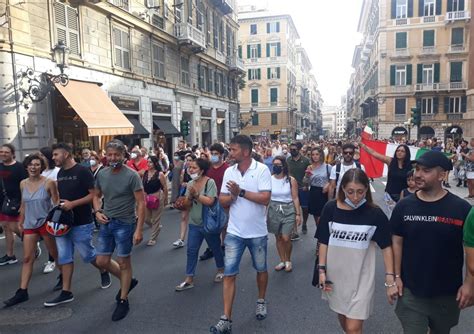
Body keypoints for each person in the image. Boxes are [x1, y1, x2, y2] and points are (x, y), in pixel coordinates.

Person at [390, 150, 473, 333]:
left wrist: (469, 283)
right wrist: (395, 276)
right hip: (411, 291)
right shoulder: (404, 206)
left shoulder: (462, 209)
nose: (418, 174)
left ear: (442, 175)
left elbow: (471, 249)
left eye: (426, 170)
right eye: (417, 169)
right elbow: (396, 242)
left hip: (447, 293)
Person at [316, 168, 398, 334]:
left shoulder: (374, 214)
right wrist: (321, 270)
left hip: (362, 278)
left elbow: (386, 246)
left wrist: (390, 278)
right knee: (343, 317)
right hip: (335, 276)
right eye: (350, 192)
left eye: (360, 192)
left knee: (353, 328)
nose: (355, 197)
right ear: (343, 189)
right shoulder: (331, 209)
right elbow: (323, 241)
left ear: (366, 190)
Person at [210, 135, 271, 333]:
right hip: (234, 232)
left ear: (245, 152)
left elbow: (265, 198)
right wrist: (232, 196)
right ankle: (226, 318)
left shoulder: (261, 170)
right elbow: (222, 200)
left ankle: (261, 300)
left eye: (234, 150)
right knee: (229, 274)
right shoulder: (229, 171)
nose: (230, 153)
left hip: (257, 232)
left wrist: (241, 192)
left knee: (261, 269)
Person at [44, 143, 112, 308]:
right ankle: (67, 292)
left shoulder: (82, 171)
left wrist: (73, 204)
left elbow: (94, 195)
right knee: (65, 256)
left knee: (88, 255)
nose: (53, 158)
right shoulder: (60, 173)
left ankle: (104, 270)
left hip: (82, 221)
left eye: (56, 154)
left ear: (66, 154)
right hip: (63, 222)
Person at [93, 139, 145, 321]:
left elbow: (141, 202)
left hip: (125, 223)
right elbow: (97, 195)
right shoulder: (102, 174)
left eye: (117, 154)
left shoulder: (132, 176)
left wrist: (139, 230)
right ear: (105, 155)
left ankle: (123, 300)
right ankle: (128, 281)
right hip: (106, 222)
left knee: (124, 262)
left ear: (124, 156)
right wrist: (97, 211)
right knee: (101, 261)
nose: (113, 158)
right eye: (110, 154)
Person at [3, 154, 60, 307]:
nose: (33, 167)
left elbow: (56, 204)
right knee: (27, 258)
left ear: (41, 167)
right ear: (26, 166)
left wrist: (55, 223)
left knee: (54, 254)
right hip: (29, 224)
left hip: (45, 223)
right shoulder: (23, 183)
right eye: (31, 164)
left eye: (37, 165)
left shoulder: (49, 183)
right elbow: (23, 204)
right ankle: (22, 291)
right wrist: (21, 221)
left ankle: (62, 276)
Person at [175, 158, 225, 291]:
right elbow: (187, 205)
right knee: (191, 251)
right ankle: (189, 278)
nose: (190, 170)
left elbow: (210, 201)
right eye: (190, 167)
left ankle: (221, 269)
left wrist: (196, 195)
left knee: (215, 248)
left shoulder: (210, 182)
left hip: (208, 223)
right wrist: (186, 200)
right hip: (194, 223)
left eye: (194, 168)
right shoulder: (190, 183)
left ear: (202, 170)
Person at [267, 156, 301, 272]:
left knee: (286, 237)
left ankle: (288, 260)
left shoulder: (291, 180)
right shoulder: (269, 179)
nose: (276, 167)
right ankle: (282, 260)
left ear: (284, 166)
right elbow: (266, 197)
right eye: (274, 165)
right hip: (274, 209)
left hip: (288, 209)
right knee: (278, 237)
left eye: (278, 165)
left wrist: (298, 214)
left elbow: (295, 197)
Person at [360, 142, 411, 211]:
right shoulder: (390, 161)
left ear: (406, 153)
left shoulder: (411, 165)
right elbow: (374, 153)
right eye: (398, 151)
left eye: (402, 151)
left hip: (404, 195)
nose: (399, 152)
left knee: (402, 216)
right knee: (392, 215)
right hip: (390, 195)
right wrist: (363, 145)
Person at [200, 143, 229, 261]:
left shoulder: (227, 169)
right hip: (210, 200)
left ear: (222, 155)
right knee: (210, 227)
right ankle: (212, 247)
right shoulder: (208, 168)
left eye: (216, 154)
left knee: (224, 225)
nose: (213, 156)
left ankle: (223, 246)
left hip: (222, 200)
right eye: (212, 154)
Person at [0, 144, 28, 266]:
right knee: (6, 226)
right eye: (1, 152)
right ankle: (10, 255)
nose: (3, 154)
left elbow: (25, 185)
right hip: (2, 201)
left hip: (15, 201)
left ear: (12, 153)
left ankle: (31, 241)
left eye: (6, 152)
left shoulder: (19, 167)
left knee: (14, 227)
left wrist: (23, 203)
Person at [40, 146, 61, 274]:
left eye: (42, 156)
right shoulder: (40, 172)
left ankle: (52, 260)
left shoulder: (57, 171)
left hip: (53, 207)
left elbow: (57, 190)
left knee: (50, 236)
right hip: (41, 208)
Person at [286, 142, 311, 238]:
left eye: (294, 149)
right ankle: (294, 230)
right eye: (291, 149)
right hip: (291, 189)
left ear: (299, 150)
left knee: (305, 208)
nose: (292, 151)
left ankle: (304, 223)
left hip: (303, 188)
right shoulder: (288, 160)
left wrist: (306, 185)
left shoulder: (305, 161)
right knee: (292, 209)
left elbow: (309, 174)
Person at [143, 156, 167, 246]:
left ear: (155, 163)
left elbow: (164, 187)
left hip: (157, 197)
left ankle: (152, 238)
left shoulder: (160, 174)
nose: (148, 164)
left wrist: (165, 200)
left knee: (156, 218)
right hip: (147, 197)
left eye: (150, 162)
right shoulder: (145, 173)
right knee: (146, 218)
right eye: (148, 162)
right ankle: (156, 228)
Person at [303, 147, 330, 226]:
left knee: (324, 218)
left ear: (321, 155)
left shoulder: (328, 167)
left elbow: (333, 181)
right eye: (313, 154)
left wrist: (328, 185)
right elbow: (305, 182)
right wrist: (307, 176)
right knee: (317, 220)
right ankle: (320, 236)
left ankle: (323, 236)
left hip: (324, 193)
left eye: (317, 154)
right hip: (314, 192)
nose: (315, 156)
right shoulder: (309, 167)